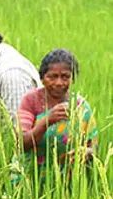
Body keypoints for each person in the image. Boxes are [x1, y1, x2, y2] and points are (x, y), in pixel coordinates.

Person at [16, 48, 97, 179]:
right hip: (30, 176)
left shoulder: (80, 106)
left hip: (66, 179)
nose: (59, 83)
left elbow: (92, 145)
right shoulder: (30, 101)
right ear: (42, 78)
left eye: (65, 77)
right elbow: (21, 144)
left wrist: (86, 152)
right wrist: (46, 121)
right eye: (52, 77)